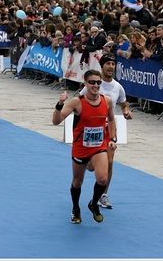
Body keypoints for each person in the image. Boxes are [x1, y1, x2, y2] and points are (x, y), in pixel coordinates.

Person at [52, 69, 117, 224]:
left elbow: (112, 120)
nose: (96, 85)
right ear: (85, 84)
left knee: (102, 179)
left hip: (98, 146)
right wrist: (60, 104)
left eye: (98, 82)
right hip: (81, 147)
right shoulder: (77, 102)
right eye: (92, 82)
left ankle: (94, 204)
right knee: (77, 182)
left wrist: (112, 138)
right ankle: (75, 208)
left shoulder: (106, 101)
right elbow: (56, 121)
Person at [79, 54, 133, 209]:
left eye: (113, 64)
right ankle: (91, 164)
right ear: (102, 66)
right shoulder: (94, 84)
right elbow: (78, 101)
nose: (111, 66)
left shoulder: (118, 87)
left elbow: (124, 105)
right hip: (92, 129)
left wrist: (127, 112)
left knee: (109, 162)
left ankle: (103, 195)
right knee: (90, 166)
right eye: (108, 64)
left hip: (108, 131)